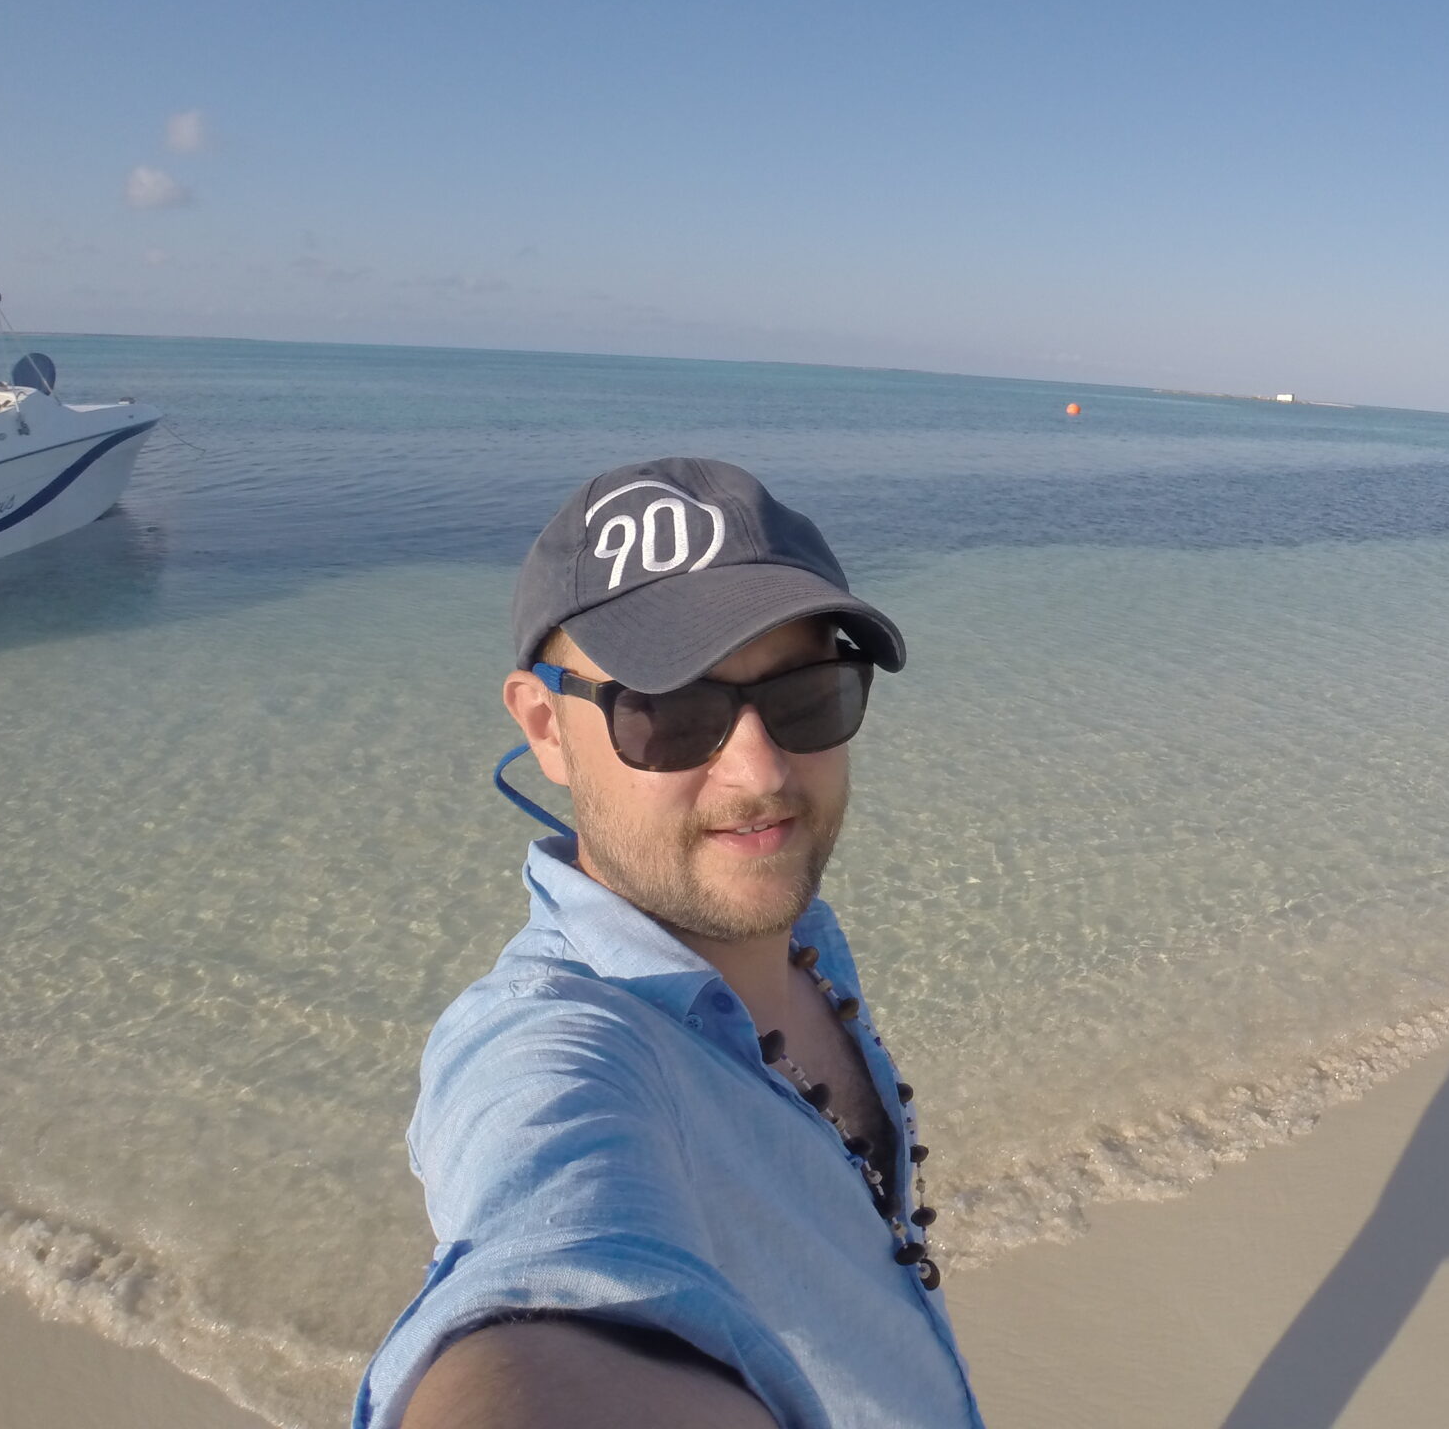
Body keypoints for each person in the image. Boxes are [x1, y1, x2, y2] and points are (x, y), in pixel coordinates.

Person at [353, 458, 984, 1429]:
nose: (760, 770)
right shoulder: (557, 1045)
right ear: (544, 727)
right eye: (670, 709)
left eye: (806, 693)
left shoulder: (795, 930)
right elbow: (545, 1247)